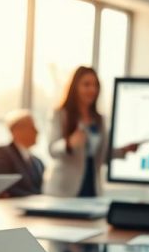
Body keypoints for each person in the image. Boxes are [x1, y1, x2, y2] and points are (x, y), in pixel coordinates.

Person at [45, 66, 137, 197]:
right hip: (64, 189)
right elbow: (51, 150)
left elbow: (102, 155)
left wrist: (123, 151)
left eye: (95, 85)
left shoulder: (99, 119)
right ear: (75, 87)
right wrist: (69, 143)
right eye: (86, 85)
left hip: (92, 187)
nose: (92, 90)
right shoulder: (60, 114)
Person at [0, 109, 44, 197]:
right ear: (16, 131)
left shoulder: (37, 162)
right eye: (32, 127)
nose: (37, 131)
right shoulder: (2, 154)